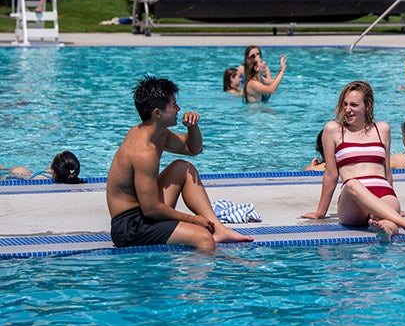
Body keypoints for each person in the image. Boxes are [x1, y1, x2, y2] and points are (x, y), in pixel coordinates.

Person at [106, 76, 253, 252]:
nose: (178, 109)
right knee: (204, 238)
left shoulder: (157, 133)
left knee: (183, 168)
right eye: (173, 105)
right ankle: (194, 280)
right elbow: (151, 209)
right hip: (130, 227)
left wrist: (192, 127)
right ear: (157, 113)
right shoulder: (143, 152)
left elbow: (193, 149)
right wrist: (193, 220)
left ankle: (219, 229)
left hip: (142, 214)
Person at [301, 80, 405, 241]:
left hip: (382, 192)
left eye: (354, 105)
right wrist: (320, 212)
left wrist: (393, 205)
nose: (347, 109)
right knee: (353, 183)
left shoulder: (382, 129)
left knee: (387, 223)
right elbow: (331, 175)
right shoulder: (333, 130)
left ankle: (386, 231)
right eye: (345, 104)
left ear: (367, 106)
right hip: (352, 200)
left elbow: (386, 171)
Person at [2, 151, 85, 183]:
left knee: (16, 169)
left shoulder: (39, 179)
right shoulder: (71, 175)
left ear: (53, 171)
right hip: (49, 174)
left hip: (29, 177)